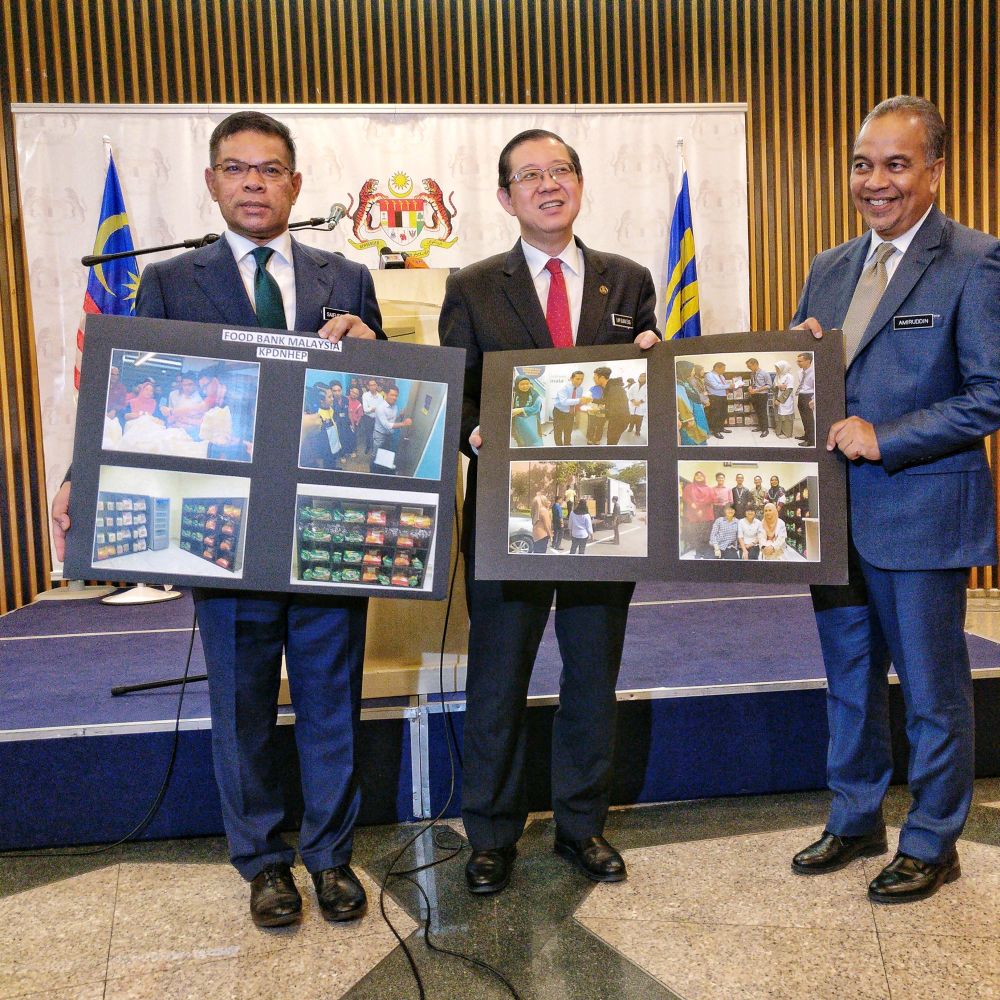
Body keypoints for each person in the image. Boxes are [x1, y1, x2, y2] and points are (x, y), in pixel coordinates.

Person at [53, 111, 384, 928]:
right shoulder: (169, 282)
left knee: (331, 697)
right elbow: (131, 389)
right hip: (221, 528)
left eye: (270, 170)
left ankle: (332, 857)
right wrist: (79, 475)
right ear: (212, 183)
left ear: (295, 184)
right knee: (240, 704)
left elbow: (381, 397)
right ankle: (265, 863)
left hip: (322, 529)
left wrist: (372, 340)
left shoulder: (346, 276)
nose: (253, 184)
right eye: (236, 169)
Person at [789, 96, 1000, 903]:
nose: (874, 182)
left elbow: (989, 394)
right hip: (832, 520)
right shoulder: (828, 266)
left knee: (932, 690)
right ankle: (854, 819)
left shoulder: (976, 261)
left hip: (919, 514)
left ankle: (932, 840)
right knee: (848, 683)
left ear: (936, 171)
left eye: (896, 164)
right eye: (861, 164)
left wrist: (887, 435)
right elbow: (809, 390)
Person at [439, 127, 659, 894]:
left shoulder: (628, 281)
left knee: (592, 676)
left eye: (559, 170)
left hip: (605, 514)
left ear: (579, 183)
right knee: (497, 680)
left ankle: (580, 826)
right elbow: (458, 389)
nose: (547, 184)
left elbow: (643, 384)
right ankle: (492, 835)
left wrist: (658, 367)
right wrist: (473, 429)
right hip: (510, 515)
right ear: (506, 197)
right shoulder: (471, 286)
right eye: (528, 175)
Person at [371, 385, 412, 460]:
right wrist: (403, 424)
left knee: (386, 453)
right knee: (376, 454)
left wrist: (400, 415)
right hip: (380, 435)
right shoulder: (380, 408)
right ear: (386, 394)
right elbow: (386, 425)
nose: (394, 398)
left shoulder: (395, 406)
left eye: (396, 396)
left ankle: (382, 469)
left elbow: (392, 420)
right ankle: (372, 469)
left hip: (389, 435)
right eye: (392, 395)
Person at [681, 470, 716, 558]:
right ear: (694, 477)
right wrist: (695, 507)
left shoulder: (709, 488)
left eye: (701, 475)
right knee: (696, 534)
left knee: (706, 534)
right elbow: (686, 497)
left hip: (706, 514)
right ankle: (698, 552)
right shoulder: (689, 487)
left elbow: (712, 499)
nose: (699, 476)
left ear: (704, 477)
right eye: (697, 475)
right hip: (693, 514)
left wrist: (700, 508)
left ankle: (706, 551)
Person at [591, 366, 629, 444]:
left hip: (620, 420)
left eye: (594, 377)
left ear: (601, 378)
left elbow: (616, 410)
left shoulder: (615, 389)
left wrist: (599, 410)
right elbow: (606, 400)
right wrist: (592, 400)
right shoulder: (609, 387)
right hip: (616, 418)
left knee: (611, 442)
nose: (593, 379)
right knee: (611, 439)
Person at [675, 360, 710, 444]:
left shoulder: (685, 382)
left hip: (696, 413)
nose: (693, 372)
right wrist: (689, 419)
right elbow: (682, 403)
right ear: (685, 370)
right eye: (692, 369)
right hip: (690, 417)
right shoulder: (679, 385)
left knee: (700, 433)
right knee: (693, 437)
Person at [552, 370, 589, 445]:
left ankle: (567, 444)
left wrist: (585, 401)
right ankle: (559, 447)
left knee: (568, 430)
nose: (580, 381)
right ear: (571, 379)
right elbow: (564, 402)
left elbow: (576, 401)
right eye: (577, 379)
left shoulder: (580, 389)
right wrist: (579, 400)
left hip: (570, 412)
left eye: (582, 379)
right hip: (559, 412)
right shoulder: (563, 388)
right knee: (558, 431)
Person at [511, 375, 544, 446]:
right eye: (522, 384)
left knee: (534, 441)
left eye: (527, 383)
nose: (525, 386)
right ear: (517, 384)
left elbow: (536, 408)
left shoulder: (535, 394)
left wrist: (521, 409)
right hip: (517, 423)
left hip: (531, 422)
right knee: (520, 441)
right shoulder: (513, 394)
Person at [704, 361, 733, 438]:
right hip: (714, 397)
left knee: (724, 413)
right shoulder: (709, 375)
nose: (724, 371)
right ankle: (716, 431)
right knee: (716, 415)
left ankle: (721, 428)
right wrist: (728, 386)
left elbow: (725, 385)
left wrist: (730, 386)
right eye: (723, 369)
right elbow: (715, 386)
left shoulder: (722, 376)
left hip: (723, 396)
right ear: (717, 368)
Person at [745, 357, 771, 437]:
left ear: (755, 364)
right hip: (754, 395)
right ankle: (760, 427)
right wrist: (750, 387)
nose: (749, 368)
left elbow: (769, 385)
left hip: (762, 395)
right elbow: (753, 383)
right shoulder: (752, 373)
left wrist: (757, 390)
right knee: (757, 412)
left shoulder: (764, 373)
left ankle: (765, 430)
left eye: (749, 366)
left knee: (762, 413)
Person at [794, 352, 816, 446]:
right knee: (804, 418)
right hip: (801, 396)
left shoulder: (814, 372)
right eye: (797, 361)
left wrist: (814, 399)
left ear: (808, 361)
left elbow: (817, 387)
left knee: (809, 419)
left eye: (800, 361)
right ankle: (806, 435)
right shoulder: (800, 372)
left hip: (809, 397)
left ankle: (811, 441)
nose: (798, 363)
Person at [772, 360, 796, 437]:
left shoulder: (789, 377)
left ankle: (787, 433)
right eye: (776, 368)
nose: (776, 370)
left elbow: (789, 390)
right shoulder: (777, 376)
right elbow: (773, 387)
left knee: (786, 416)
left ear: (783, 368)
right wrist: (778, 386)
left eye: (777, 368)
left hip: (785, 400)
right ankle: (779, 431)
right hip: (777, 398)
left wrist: (779, 400)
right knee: (779, 415)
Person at [360, 378, 381, 454]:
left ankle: (373, 449)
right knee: (368, 434)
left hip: (377, 419)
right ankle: (368, 446)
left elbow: (381, 409)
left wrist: (372, 408)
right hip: (367, 418)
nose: (372, 386)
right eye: (370, 385)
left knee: (376, 435)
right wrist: (375, 408)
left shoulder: (380, 396)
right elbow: (365, 409)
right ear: (368, 386)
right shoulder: (365, 395)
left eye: (374, 385)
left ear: (376, 386)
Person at [530, 489, 552, 553]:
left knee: (537, 551)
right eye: (546, 500)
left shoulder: (537, 510)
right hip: (543, 535)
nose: (548, 501)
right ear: (543, 501)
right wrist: (551, 535)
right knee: (541, 552)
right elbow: (547, 525)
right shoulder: (543, 510)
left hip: (536, 534)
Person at [628, 371, 647, 435]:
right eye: (640, 376)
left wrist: (640, 401)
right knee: (632, 418)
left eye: (643, 376)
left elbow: (647, 396)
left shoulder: (647, 386)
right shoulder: (634, 385)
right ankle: (630, 428)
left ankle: (637, 431)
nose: (641, 377)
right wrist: (633, 400)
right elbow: (629, 393)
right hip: (633, 405)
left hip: (641, 406)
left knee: (639, 420)